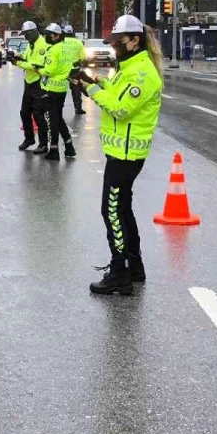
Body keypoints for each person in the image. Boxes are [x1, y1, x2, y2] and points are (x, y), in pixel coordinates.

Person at [71, 15, 163, 296]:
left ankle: (120, 272)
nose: (114, 47)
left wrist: (90, 89)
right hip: (121, 151)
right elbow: (116, 91)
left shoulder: (143, 73)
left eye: (118, 42)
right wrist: (94, 79)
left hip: (126, 154)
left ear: (134, 40)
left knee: (111, 211)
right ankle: (134, 267)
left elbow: (120, 108)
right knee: (122, 208)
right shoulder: (130, 67)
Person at [10, 20, 49, 153]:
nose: (25, 37)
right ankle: (29, 139)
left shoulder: (42, 44)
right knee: (24, 112)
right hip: (29, 82)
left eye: (27, 34)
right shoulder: (30, 44)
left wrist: (18, 63)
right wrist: (18, 57)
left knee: (38, 114)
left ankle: (43, 144)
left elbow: (35, 65)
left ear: (34, 32)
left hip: (39, 83)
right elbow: (27, 58)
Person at [39, 23, 77, 161]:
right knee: (58, 117)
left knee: (53, 120)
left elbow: (49, 70)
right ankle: (69, 146)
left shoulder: (53, 50)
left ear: (56, 36)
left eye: (48, 35)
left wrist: (40, 70)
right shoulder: (66, 48)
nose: (46, 37)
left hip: (51, 88)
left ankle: (54, 150)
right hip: (62, 88)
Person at [61, 24, 87, 115]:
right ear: (73, 32)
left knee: (60, 90)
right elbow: (83, 57)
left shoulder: (61, 42)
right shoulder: (78, 42)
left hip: (62, 70)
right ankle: (78, 108)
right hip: (74, 70)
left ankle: (58, 109)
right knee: (76, 89)